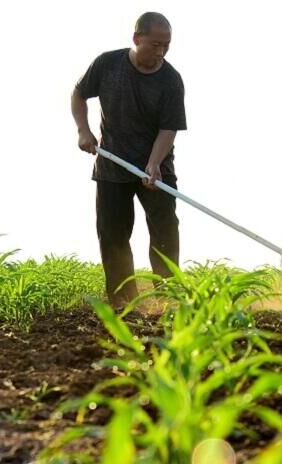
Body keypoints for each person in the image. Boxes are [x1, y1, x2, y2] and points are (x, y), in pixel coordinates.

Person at [71, 11, 187, 308]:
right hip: (112, 165)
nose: (160, 51)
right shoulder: (108, 64)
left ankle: (168, 300)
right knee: (112, 235)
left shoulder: (171, 80)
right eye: (154, 44)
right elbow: (79, 94)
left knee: (165, 231)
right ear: (136, 39)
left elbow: (168, 127)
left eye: (166, 45)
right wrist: (83, 131)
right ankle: (124, 301)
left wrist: (153, 163)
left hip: (156, 167)